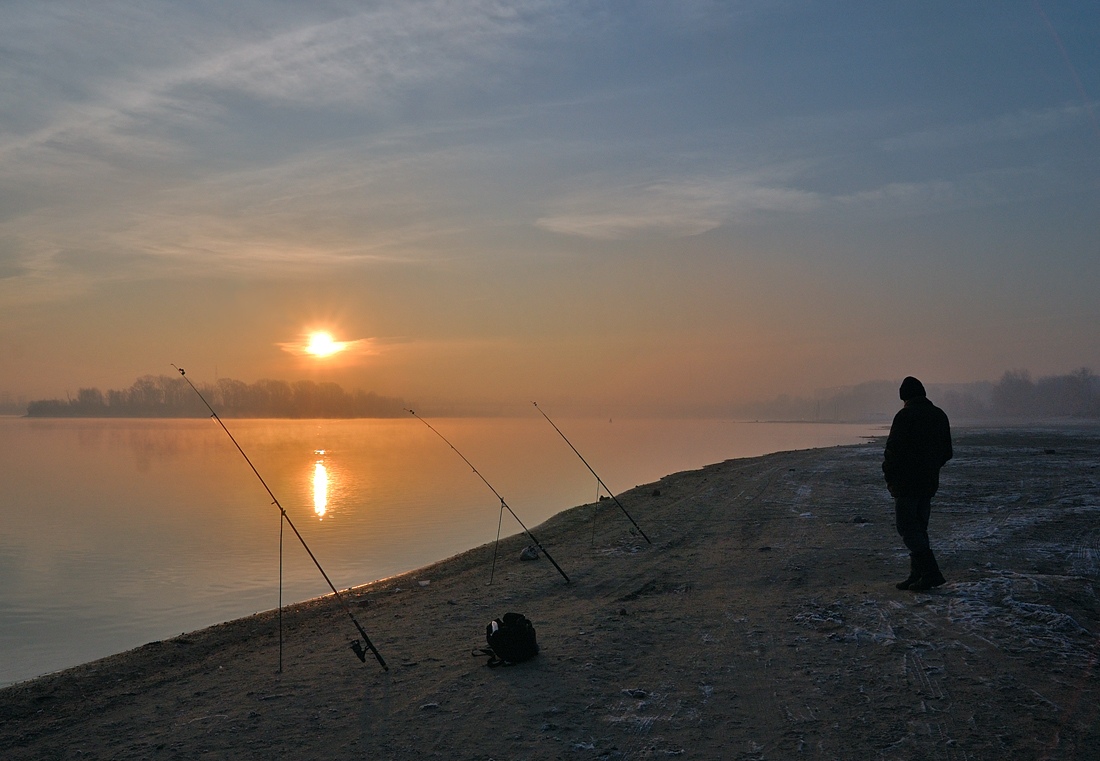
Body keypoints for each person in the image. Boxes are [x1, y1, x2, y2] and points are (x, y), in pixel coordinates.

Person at [882, 376, 952, 591]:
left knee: (907, 527)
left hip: (906, 483)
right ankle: (917, 574)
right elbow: (947, 452)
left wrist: (889, 474)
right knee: (919, 527)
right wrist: (931, 467)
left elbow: (893, 451)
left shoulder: (904, 416)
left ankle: (931, 573)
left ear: (904, 397)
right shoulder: (939, 415)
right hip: (929, 483)